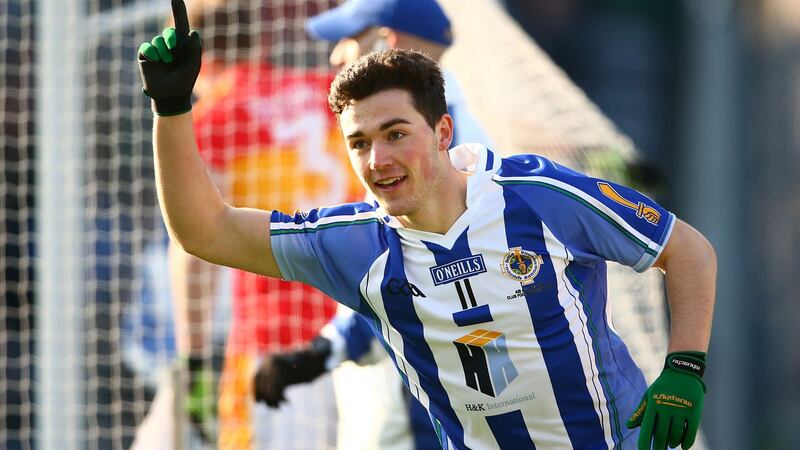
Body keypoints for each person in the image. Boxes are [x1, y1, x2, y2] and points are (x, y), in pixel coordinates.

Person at [137, 2, 716, 448]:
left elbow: (684, 247)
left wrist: (686, 367)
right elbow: (205, 233)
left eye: (395, 135)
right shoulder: (357, 242)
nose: (377, 160)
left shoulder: (538, 195)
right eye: (358, 143)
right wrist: (171, 109)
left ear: (442, 132)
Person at [252, 1, 493, 449]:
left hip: (419, 392)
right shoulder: (441, 132)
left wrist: (326, 350)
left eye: (348, 39)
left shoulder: (427, 160)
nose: (336, 55)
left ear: (387, 42)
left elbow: (409, 278)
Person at [134, 0, 362, 448]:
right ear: (259, 41)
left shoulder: (216, 117)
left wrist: (194, 361)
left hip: (275, 350)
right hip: (364, 328)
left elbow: (192, 247)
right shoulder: (328, 94)